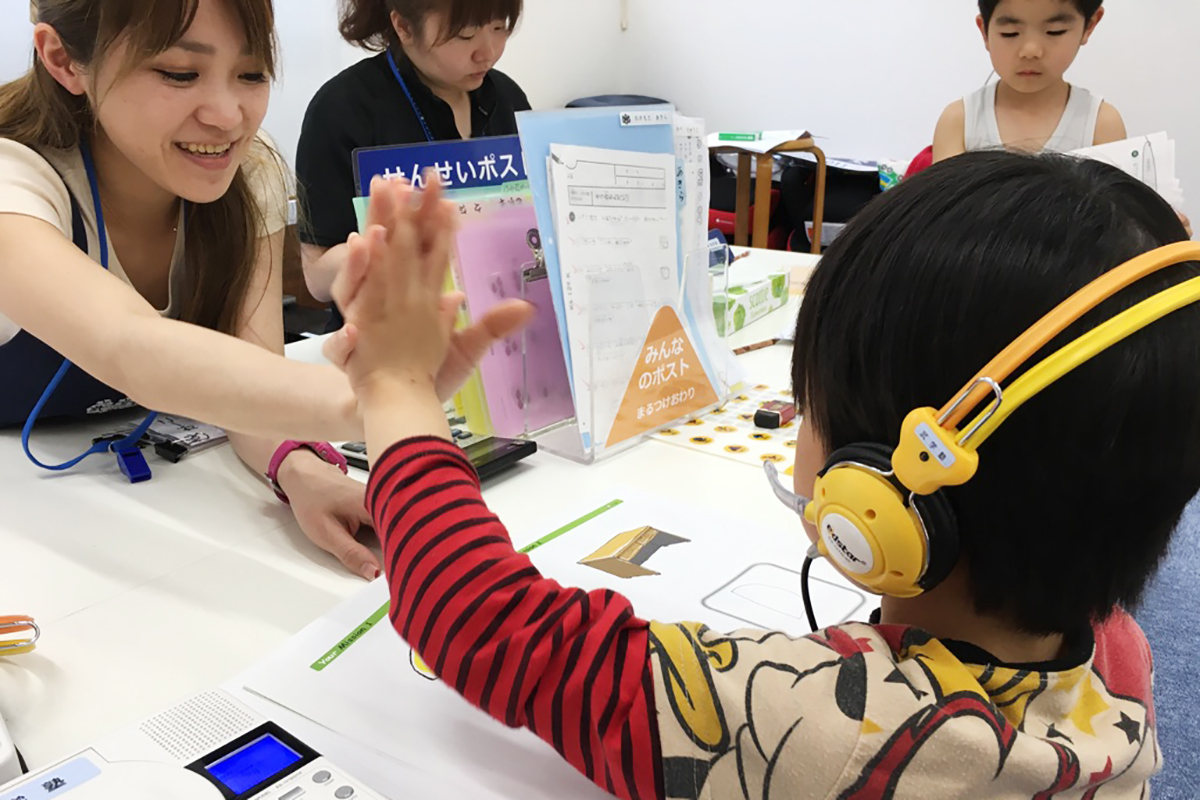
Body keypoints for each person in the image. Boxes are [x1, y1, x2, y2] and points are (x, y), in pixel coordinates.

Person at [326, 151, 1198, 798]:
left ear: (882, 497)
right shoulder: (1118, 653)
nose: (799, 422)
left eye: (807, 403)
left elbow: (478, 619)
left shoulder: (832, 727)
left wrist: (397, 389)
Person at [0, 0, 524, 580]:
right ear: (63, 59)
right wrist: (381, 397)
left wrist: (298, 468)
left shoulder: (248, 175)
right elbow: (127, 343)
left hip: (135, 503)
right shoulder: (14, 179)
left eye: (251, 74)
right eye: (179, 73)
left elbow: (251, 375)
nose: (228, 117)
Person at [296, 0, 530, 329]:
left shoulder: (507, 98)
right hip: (387, 337)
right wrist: (390, 250)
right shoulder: (344, 109)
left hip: (498, 329)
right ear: (404, 27)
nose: (488, 53)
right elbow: (317, 277)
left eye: (499, 27)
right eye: (465, 35)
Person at [933, 0, 1124, 161]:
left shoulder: (1100, 124)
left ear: (1089, 26)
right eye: (1010, 33)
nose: (1030, 51)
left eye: (1055, 31)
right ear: (984, 31)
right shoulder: (959, 121)